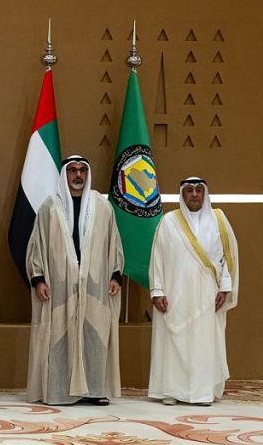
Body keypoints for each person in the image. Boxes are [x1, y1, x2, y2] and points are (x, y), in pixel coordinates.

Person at [26, 155, 124, 405]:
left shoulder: (103, 206)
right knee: (58, 337)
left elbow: (114, 244)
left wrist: (115, 275)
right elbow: (36, 245)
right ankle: (58, 391)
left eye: (82, 170)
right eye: (72, 171)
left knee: (95, 336)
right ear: (65, 175)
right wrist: (38, 279)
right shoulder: (50, 207)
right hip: (59, 287)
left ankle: (96, 390)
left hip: (96, 286)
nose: (78, 175)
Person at [148, 176, 238, 405]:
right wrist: (157, 290)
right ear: (182, 194)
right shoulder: (168, 222)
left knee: (203, 342)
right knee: (173, 341)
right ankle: (171, 391)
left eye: (199, 190)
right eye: (189, 190)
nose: (195, 194)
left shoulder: (218, 220)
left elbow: (227, 258)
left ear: (205, 193)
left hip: (207, 293)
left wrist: (225, 287)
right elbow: (157, 258)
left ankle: (201, 392)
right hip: (174, 292)